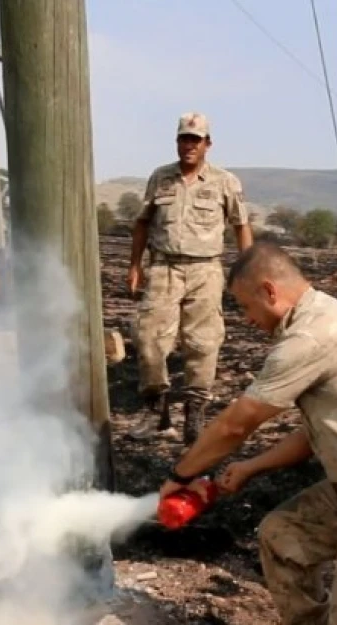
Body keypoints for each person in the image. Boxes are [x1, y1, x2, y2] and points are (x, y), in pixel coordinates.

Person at [158, 242, 337, 625]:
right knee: (282, 536)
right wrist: (251, 468)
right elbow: (319, 432)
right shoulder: (322, 318)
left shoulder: (309, 338)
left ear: (269, 291)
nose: (247, 319)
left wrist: (178, 477)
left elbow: (235, 425)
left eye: (246, 306)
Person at [127, 112, 254, 445]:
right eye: (184, 139)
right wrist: (135, 266)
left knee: (203, 342)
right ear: (177, 141)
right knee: (149, 338)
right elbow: (142, 223)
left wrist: (248, 270)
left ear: (207, 144)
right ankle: (156, 410)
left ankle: (196, 412)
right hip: (164, 267)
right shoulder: (160, 178)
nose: (189, 146)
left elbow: (242, 227)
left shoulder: (225, 182)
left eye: (196, 140)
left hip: (206, 270)